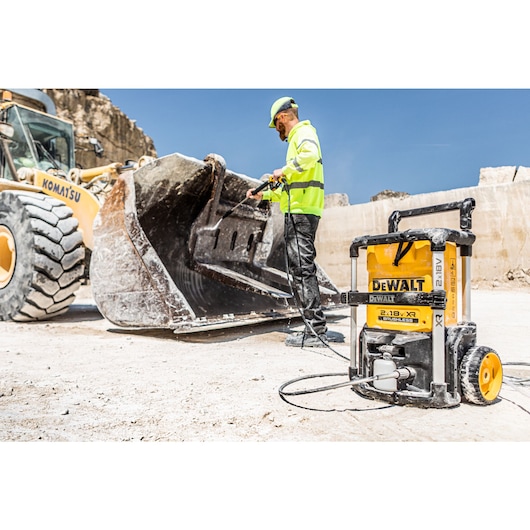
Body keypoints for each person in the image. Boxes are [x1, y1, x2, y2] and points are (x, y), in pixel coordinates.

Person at [246, 96, 328, 347]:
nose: (277, 130)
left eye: (276, 124)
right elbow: (289, 189)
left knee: (302, 269)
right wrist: (265, 194)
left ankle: (315, 329)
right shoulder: (298, 139)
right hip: (301, 208)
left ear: (281, 117)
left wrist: (286, 168)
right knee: (301, 269)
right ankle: (314, 326)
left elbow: (310, 154)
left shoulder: (303, 133)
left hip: (302, 212)